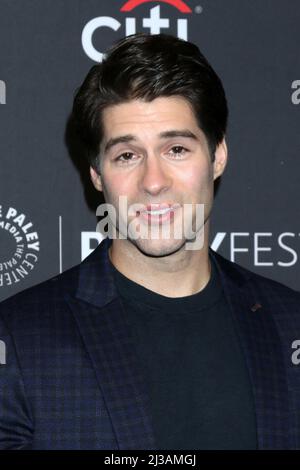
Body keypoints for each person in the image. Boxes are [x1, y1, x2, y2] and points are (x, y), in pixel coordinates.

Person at [0, 33, 300, 450]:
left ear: (218, 157)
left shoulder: (289, 325)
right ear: (97, 175)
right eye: (127, 155)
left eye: (176, 148)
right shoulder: (18, 339)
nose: (153, 182)